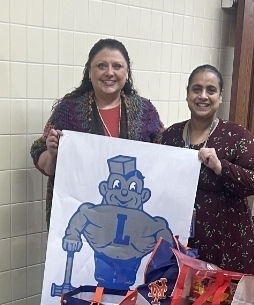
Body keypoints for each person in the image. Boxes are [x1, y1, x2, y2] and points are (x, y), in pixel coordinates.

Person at [30, 38, 164, 225]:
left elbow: (165, 156)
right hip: (83, 216)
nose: (109, 72)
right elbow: (45, 163)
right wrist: (52, 154)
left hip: (132, 216)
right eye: (101, 66)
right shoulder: (69, 110)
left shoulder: (144, 110)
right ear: (90, 72)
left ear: (127, 72)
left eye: (117, 66)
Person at [161, 65, 254, 272]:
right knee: (179, 299)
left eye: (211, 90)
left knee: (224, 300)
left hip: (227, 242)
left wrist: (221, 167)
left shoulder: (237, 136)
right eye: (196, 89)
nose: (203, 96)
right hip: (181, 238)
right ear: (188, 93)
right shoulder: (170, 135)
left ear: (220, 96)